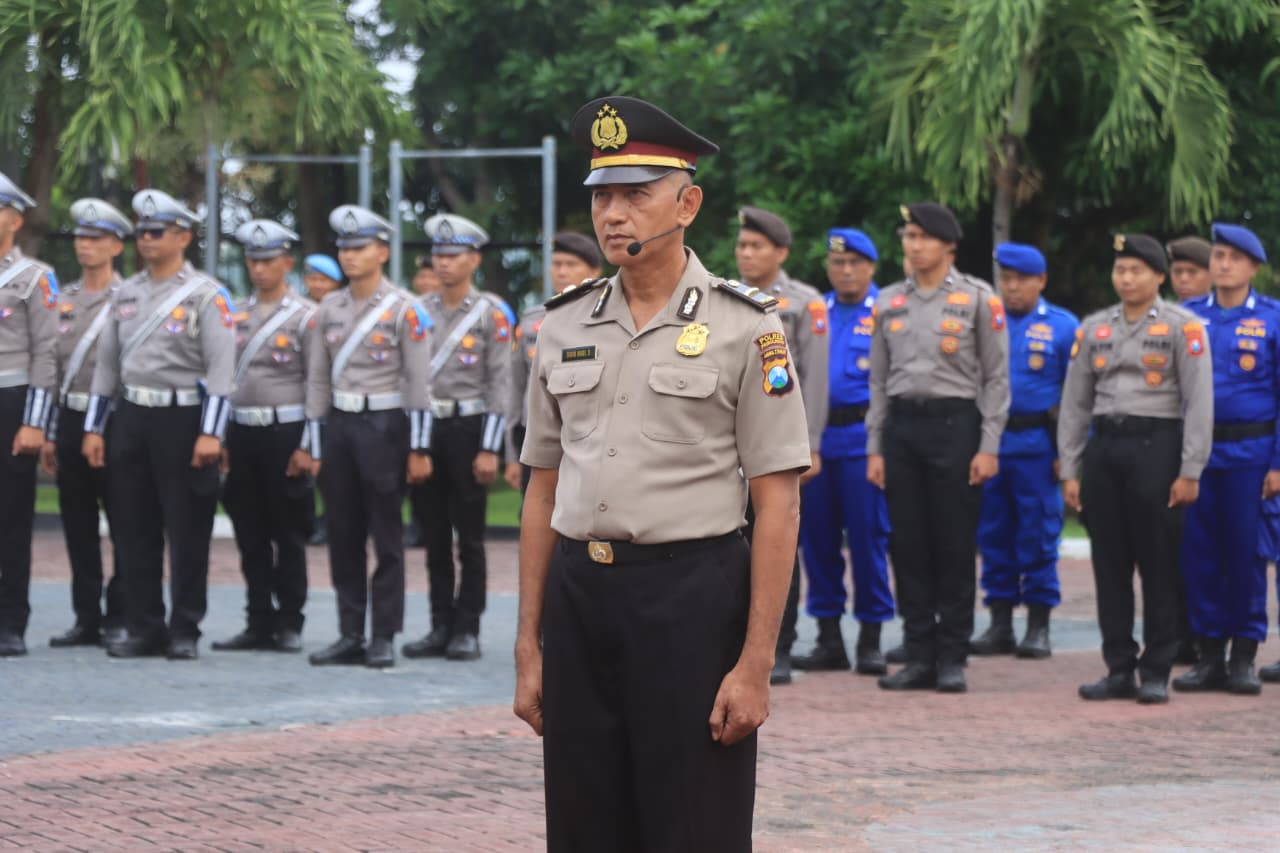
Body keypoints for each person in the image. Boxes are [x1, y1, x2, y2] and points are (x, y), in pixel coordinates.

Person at [513, 96, 810, 852]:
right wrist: (528, 643)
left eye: (634, 194)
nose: (613, 213)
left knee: (691, 825)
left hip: (691, 599)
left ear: (687, 202)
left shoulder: (750, 326)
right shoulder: (564, 325)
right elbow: (540, 487)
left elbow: (777, 503)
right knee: (583, 823)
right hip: (582, 598)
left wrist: (755, 661)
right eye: (601, 195)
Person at [1059, 233, 1213, 704]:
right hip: (1106, 450)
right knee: (1110, 564)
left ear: (1159, 277)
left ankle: (1155, 669)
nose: (1125, 279)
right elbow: (1075, 402)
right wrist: (1070, 467)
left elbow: (1199, 402)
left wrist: (1191, 470)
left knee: (1158, 564)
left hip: (1157, 447)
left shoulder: (1182, 326)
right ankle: (1118, 667)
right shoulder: (1094, 328)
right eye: (1119, 270)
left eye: (1136, 270)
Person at [83, 189, 235, 661]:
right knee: (133, 526)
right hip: (131, 417)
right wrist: (94, 426)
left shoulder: (207, 294)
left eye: (156, 231)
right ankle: (144, 625)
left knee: (187, 527)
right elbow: (107, 366)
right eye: (141, 232)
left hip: (183, 418)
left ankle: (184, 626)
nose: (146, 239)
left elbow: (221, 368)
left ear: (183, 236)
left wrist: (211, 433)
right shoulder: (125, 294)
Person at [866, 202, 1010, 693]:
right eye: (908, 236)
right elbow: (879, 382)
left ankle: (953, 655)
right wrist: (875, 448)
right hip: (903, 429)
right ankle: (918, 653)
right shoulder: (887, 301)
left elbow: (996, 379)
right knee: (907, 546)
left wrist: (988, 444)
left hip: (956, 427)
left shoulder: (977, 299)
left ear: (948, 245)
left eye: (923, 237)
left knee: (952, 544)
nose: (914, 245)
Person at [305, 205, 434, 669]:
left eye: (359, 247)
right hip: (339, 425)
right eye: (343, 247)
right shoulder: (328, 308)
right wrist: (314, 443)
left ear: (382, 251)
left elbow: (419, 385)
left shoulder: (405, 308)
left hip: (385, 427)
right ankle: (348, 632)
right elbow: (317, 381)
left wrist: (419, 447)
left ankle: (383, 634)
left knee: (386, 534)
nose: (349, 256)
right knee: (342, 532)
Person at [402, 213, 514, 662]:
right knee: (431, 535)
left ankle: (467, 627)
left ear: (473, 259)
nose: (443, 263)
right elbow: (409, 381)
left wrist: (490, 447)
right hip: (427, 428)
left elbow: (499, 385)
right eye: (438, 255)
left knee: (469, 538)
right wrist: (414, 445)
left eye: (453, 256)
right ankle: (438, 624)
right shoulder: (418, 312)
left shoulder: (491, 314)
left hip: (469, 431)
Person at [1176, 224, 1276, 695]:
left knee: (1245, 554)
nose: (1223, 264)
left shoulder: (1273, 320)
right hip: (1199, 452)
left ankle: (1243, 656)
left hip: (1252, 455)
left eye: (1234, 257)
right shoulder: (1187, 317)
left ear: (1253, 267)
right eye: (1218, 255)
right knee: (1200, 554)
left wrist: (1276, 463)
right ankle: (1209, 655)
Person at [793, 227, 894, 678]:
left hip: (862, 440)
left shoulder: (886, 311)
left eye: (854, 263)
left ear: (871, 267)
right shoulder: (818, 311)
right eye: (837, 263)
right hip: (816, 440)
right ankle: (829, 637)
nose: (845, 271)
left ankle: (871, 638)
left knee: (868, 540)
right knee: (817, 543)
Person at [733, 206, 828, 685]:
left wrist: (808, 445)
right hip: (733, 450)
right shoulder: (727, 300)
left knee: (778, 543)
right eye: (742, 246)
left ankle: (781, 645)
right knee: (733, 545)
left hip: (781, 445)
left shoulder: (806, 304)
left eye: (757, 247)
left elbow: (813, 381)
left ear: (781, 253)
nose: (747, 254)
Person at [213, 220, 316, 654]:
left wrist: (309, 445)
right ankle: (257, 619)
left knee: (287, 533)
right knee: (249, 531)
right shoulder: (234, 312)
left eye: (268, 260)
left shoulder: (307, 316)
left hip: (285, 431)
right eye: (252, 260)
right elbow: (219, 376)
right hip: (241, 431)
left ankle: (290, 620)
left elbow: (317, 383)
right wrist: (218, 435)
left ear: (286, 263)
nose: (258, 268)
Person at [972, 243, 1078, 659]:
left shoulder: (1063, 326)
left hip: (1038, 444)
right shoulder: (987, 318)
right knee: (993, 532)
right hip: (991, 443)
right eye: (1007, 279)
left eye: (1021, 280)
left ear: (1041, 281)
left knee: (1037, 534)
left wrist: (1066, 454)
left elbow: (1077, 397)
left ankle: (1038, 624)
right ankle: (999, 622)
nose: (1012, 287)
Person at [42, 198, 130, 649]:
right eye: (80, 237)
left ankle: (120, 614)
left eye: (95, 238)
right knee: (76, 522)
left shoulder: (130, 298)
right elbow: (53, 369)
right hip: (71, 416)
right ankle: (86, 617)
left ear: (116, 244)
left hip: (116, 419)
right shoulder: (64, 300)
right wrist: (51, 430)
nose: (85, 245)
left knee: (123, 521)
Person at [0, 171, 58, 658]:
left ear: (15, 219)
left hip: (11, 401)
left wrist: (36, 420)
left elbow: (46, 354)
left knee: (12, 519)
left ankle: (11, 622)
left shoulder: (35, 278)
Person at [504, 231, 602, 494]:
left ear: (594, 269)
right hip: (535, 434)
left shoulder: (608, 318)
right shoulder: (531, 320)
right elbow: (515, 387)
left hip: (588, 435)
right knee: (535, 508)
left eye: (571, 265)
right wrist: (511, 453)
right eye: (556, 264)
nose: (562, 272)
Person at [1167, 236, 1212, 303]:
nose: (1183, 279)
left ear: (1211, 274)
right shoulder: (1162, 312)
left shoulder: (1227, 311)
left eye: (1192, 272)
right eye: (1177, 272)